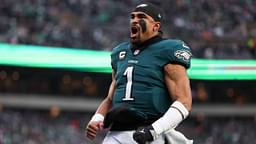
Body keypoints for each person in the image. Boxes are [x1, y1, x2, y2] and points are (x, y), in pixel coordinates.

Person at [86, 2, 193, 144]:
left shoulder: (168, 49)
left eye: (141, 17)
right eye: (132, 17)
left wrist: (153, 130)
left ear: (156, 26)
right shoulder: (119, 52)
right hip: (116, 131)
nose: (135, 20)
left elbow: (184, 101)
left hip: (150, 133)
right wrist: (97, 119)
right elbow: (110, 98)